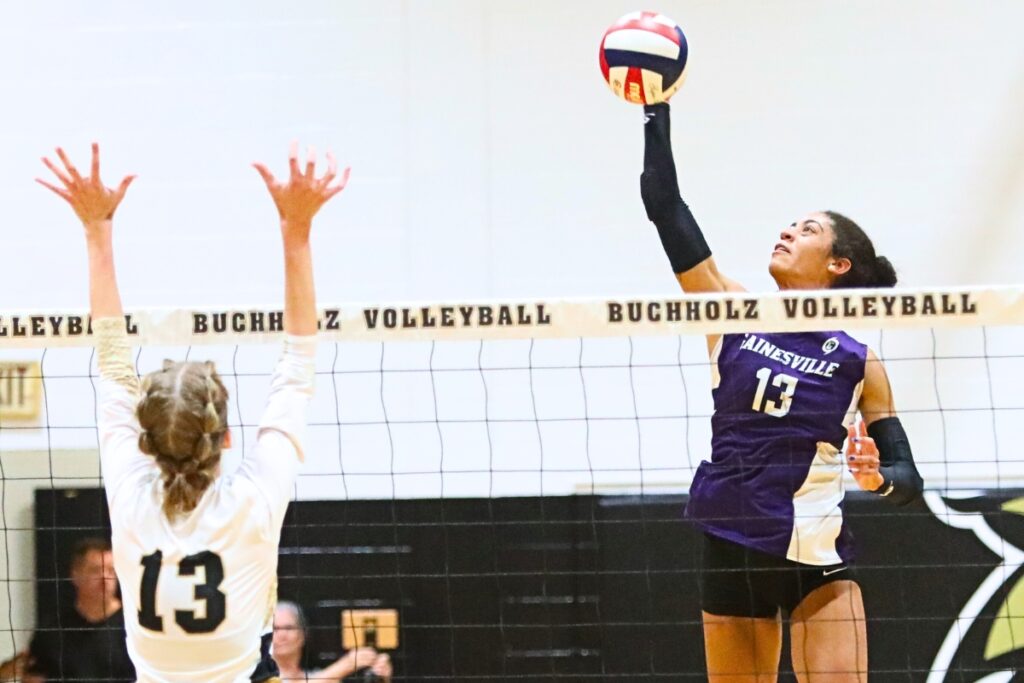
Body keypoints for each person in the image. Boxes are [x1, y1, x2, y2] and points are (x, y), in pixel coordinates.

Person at [37, 142, 349, 682]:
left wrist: (96, 229)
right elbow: (298, 365)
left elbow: (112, 363)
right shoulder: (252, 501)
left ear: (145, 441)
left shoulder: (131, 497)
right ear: (225, 439)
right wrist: (296, 230)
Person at [637, 102, 924, 682]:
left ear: (838, 264)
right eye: (790, 224)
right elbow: (663, 205)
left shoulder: (859, 361)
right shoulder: (732, 310)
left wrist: (876, 477)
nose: (787, 231)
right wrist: (654, 106)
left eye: (807, 229)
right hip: (732, 544)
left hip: (816, 558)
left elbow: (906, 480)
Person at [22, 538, 135, 682]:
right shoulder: (52, 631)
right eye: (95, 570)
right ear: (76, 575)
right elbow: (33, 679)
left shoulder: (134, 625)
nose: (105, 578)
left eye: (111, 570)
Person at [272, 602, 392, 682]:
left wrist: (380, 678)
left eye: (288, 628)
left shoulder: (320, 676)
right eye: (275, 629)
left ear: (303, 634)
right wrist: (348, 664)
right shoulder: (255, 673)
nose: (282, 635)